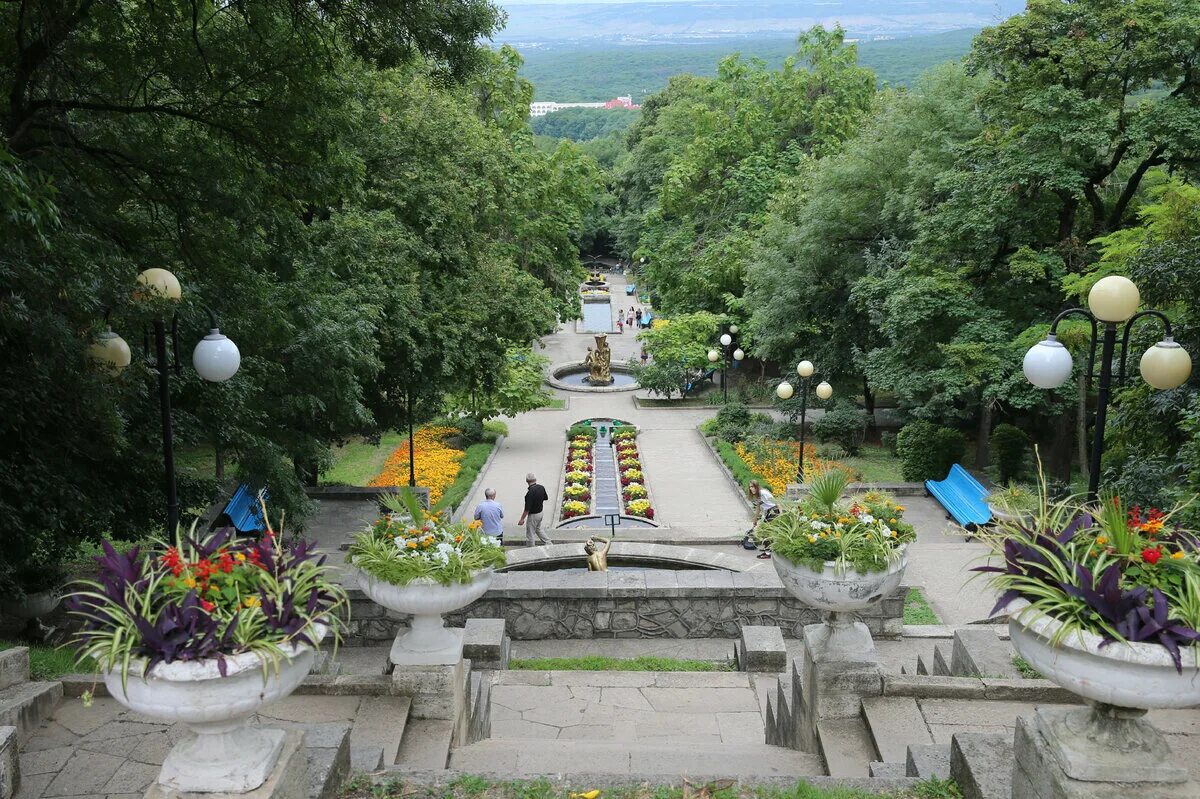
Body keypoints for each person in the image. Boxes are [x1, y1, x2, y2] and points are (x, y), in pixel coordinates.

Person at [517, 473, 553, 546]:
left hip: (533, 515)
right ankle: (548, 543)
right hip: (540, 513)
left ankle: (531, 550)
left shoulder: (529, 493)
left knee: (530, 534)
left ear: (527, 481)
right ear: (535, 479)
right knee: (538, 529)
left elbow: (527, 509)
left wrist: (522, 519)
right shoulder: (541, 487)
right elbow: (546, 498)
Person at [748, 480, 779, 559]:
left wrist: (781, 515)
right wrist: (755, 520)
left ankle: (767, 553)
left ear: (757, 486)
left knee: (766, 532)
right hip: (768, 513)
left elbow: (776, 502)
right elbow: (758, 508)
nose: (751, 488)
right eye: (750, 487)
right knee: (765, 532)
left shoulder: (764, 493)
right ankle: (768, 549)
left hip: (773, 512)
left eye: (753, 486)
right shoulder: (758, 495)